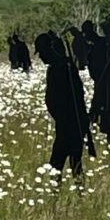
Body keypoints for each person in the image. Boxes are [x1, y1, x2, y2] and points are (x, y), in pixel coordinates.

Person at [39, 30, 89, 176]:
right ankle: (76, 187)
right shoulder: (62, 67)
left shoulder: (62, 69)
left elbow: (72, 98)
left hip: (69, 123)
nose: (41, 56)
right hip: (67, 122)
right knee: (72, 162)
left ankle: (61, 188)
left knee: (60, 163)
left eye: (42, 52)